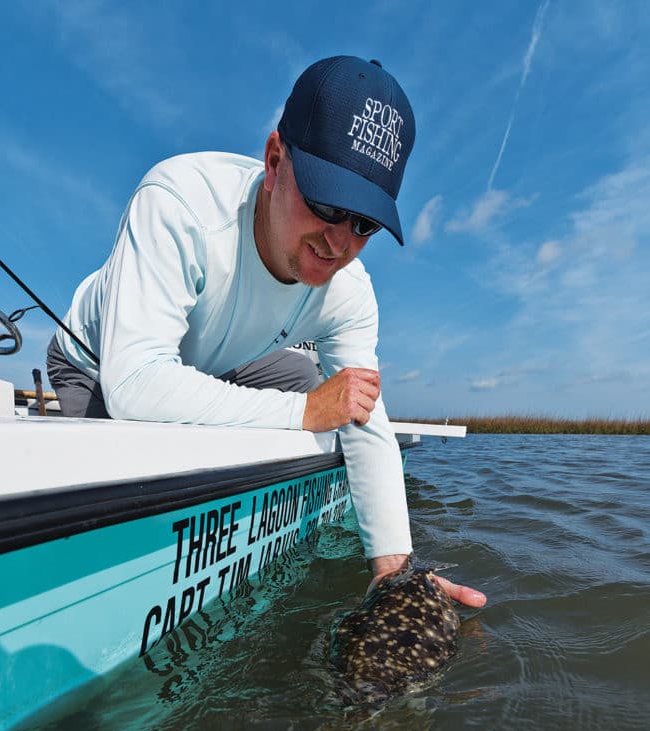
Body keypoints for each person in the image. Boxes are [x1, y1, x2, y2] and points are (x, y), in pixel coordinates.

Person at [48, 55, 486, 608]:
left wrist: (394, 573)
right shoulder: (178, 202)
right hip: (96, 359)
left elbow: (362, 412)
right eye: (327, 202)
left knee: (314, 379)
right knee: (114, 471)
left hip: (221, 358)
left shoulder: (350, 292)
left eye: (364, 223)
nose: (338, 243)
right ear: (275, 161)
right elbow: (135, 381)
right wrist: (303, 413)